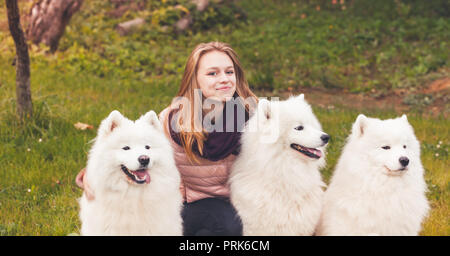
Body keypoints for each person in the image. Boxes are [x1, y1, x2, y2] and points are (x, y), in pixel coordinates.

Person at [76, 41, 258, 236]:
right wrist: (89, 174)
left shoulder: (255, 117)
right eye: (212, 73)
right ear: (194, 78)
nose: (224, 79)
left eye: (229, 72)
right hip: (189, 204)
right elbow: (134, 148)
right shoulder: (172, 120)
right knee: (224, 226)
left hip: (243, 203)